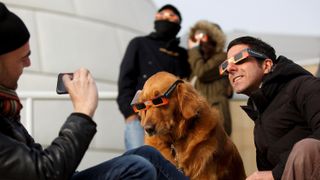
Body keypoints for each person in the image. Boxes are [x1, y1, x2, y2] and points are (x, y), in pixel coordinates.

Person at [0, 2, 189, 180]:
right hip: (48, 174)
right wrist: (82, 112)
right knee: (138, 167)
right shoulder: (140, 44)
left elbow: (37, 158)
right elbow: (44, 172)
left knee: (147, 153)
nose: (29, 63)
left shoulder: (7, 107)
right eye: (23, 57)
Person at [220, 36, 320, 180]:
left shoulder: (305, 86)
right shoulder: (260, 117)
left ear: (266, 65)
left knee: (307, 148)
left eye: (239, 59)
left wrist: (275, 174)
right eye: (224, 66)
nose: (229, 69)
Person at [117, 4, 191, 150]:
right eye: (162, 15)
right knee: (140, 164)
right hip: (140, 118)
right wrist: (130, 114)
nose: (166, 18)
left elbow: (187, 84)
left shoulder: (183, 54)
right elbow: (125, 80)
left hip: (172, 121)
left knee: (169, 168)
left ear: (178, 23)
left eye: (171, 16)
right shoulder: (139, 44)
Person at [187, 20, 233, 135]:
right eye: (195, 38)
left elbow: (203, 73)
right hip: (199, 113)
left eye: (203, 36)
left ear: (214, 39)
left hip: (216, 113)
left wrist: (193, 50)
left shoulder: (223, 57)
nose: (198, 42)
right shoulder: (196, 61)